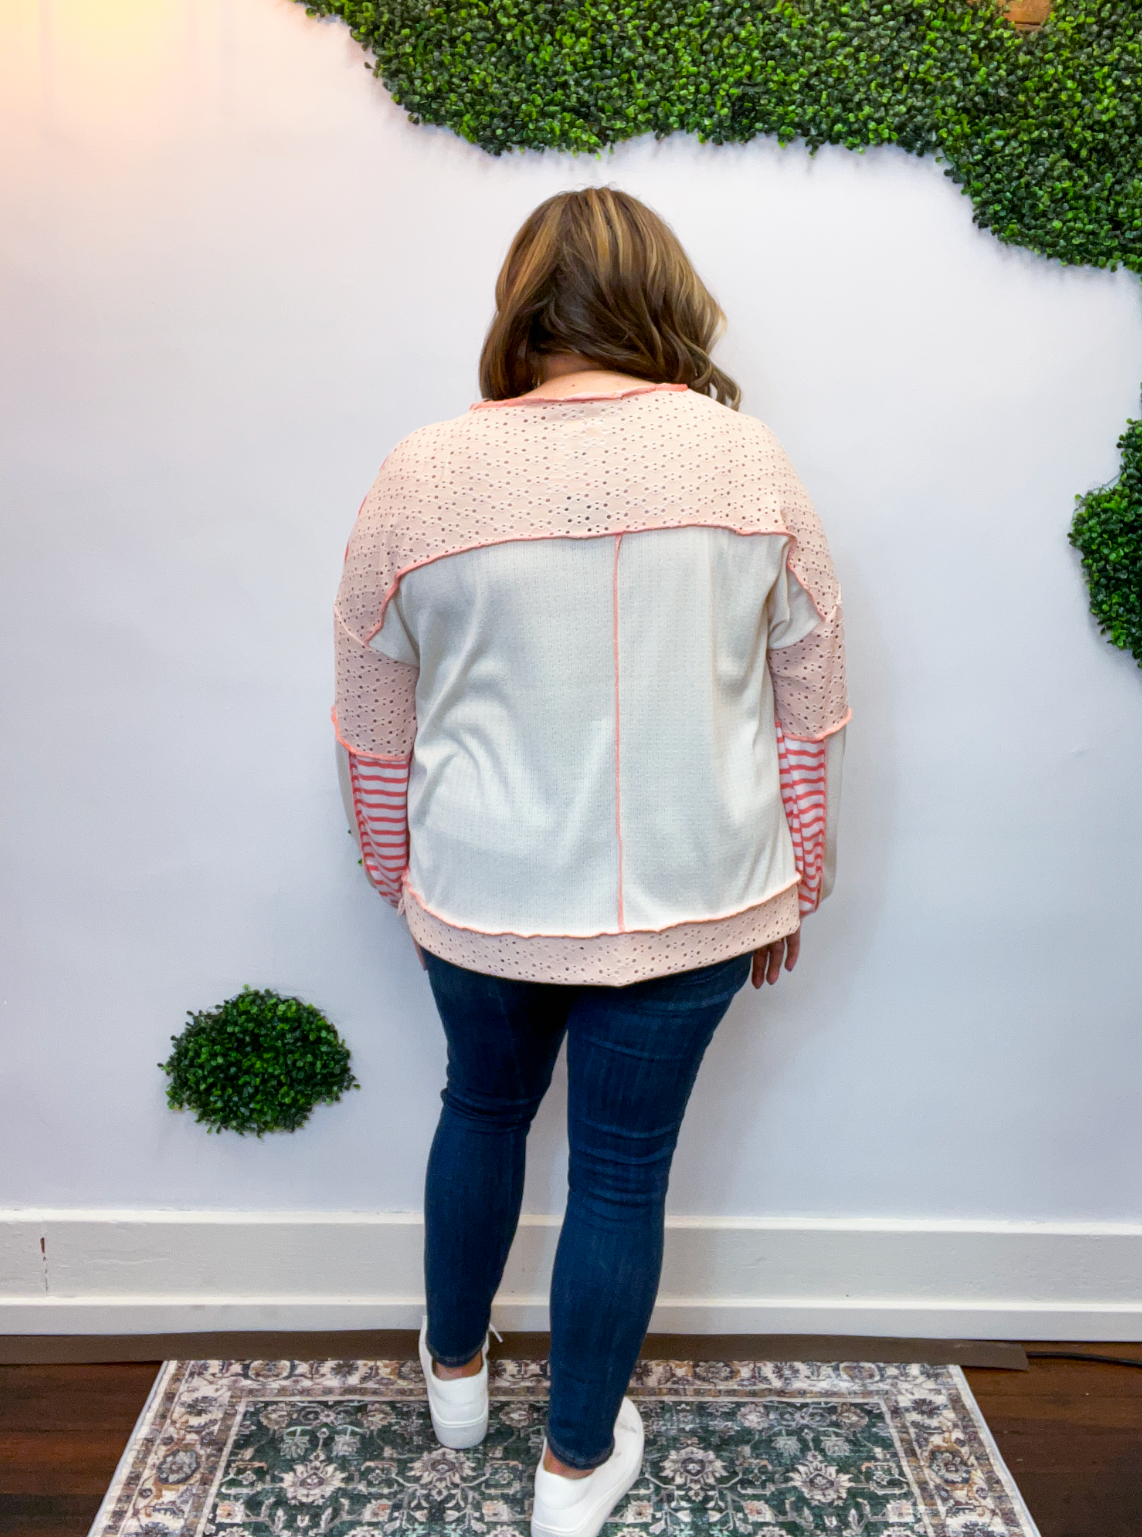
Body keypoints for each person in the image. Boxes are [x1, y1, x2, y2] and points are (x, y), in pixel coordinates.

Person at [334, 187, 848, 1537]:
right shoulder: (747, 463)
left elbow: (371, 706)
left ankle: (454, 1381)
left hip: (483, 879)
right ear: (665, 303)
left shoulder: (423, 469)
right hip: (697, 882)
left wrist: (398, 869)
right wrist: (800, 872)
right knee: (622, 1171)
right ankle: (572, 1471)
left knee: (479, 1110)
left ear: (521, 308)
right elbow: (810, 688)